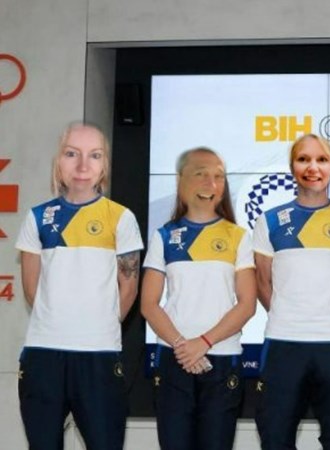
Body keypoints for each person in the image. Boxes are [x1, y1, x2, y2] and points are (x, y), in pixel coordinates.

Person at [15, 122, 143, 449]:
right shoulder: (37, 217)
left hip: (99, 357)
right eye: (72, 154)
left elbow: (128, 289)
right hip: (43, 356)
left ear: (104, 165)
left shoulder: (121, 218)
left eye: (94, 155)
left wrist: (98, 327)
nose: (83, 165)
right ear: (59, 161)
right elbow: (31, 289)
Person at [253, 134, 330, 450]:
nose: (312, 167)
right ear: (292, 166)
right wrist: (291, 316)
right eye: (303, 159)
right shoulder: (269, 221)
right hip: (283, 343)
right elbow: (262, 283)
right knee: (275, 438)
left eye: (321, 159)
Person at [140, 147, 257, 450]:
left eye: (218, 176)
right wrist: (183, 346)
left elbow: (247, 304)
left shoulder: (238, 236)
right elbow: (149, 304)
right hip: (173, 359)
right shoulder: (164, 236)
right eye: (201, 174)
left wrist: (203, 343)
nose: (210, 183)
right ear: (181, 180)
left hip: (221, 359)